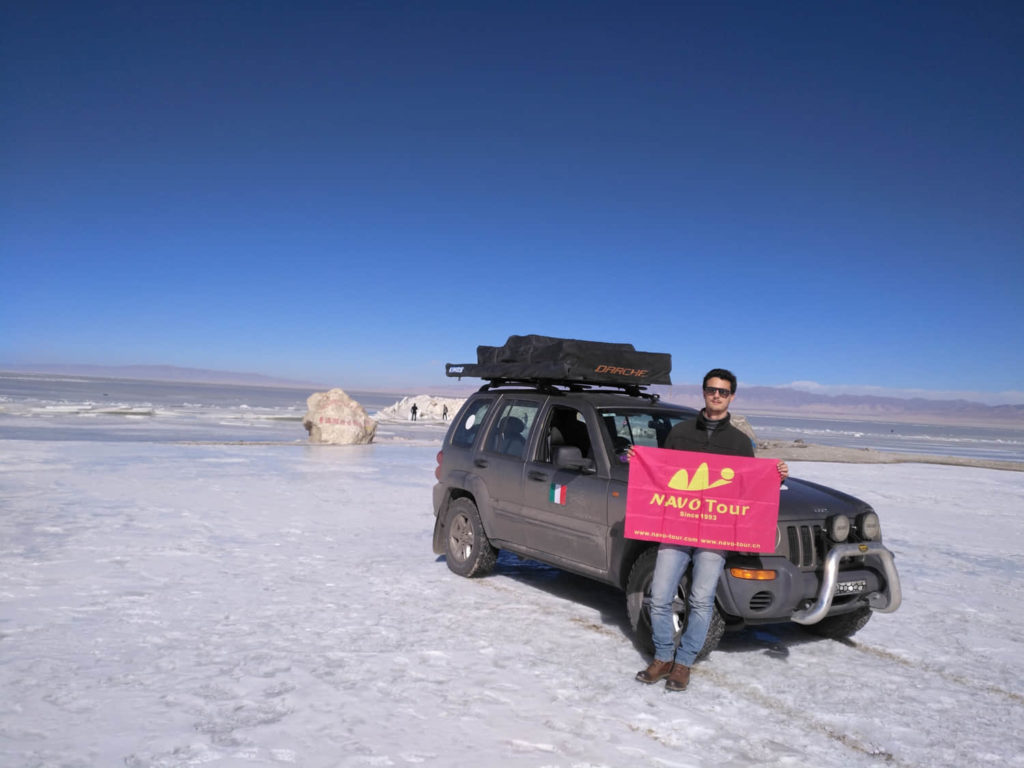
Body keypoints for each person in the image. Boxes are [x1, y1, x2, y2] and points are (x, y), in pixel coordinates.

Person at [635, 368, 788, 692]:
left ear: (731, 396)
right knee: (660, 596)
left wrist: (776, 477)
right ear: (703, 392)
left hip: (714, 535)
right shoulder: (680, 433)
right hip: (677, 528)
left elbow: (749, 487)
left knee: (701, 600)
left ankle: (684, 662)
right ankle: (663, 656)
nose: (716, 396)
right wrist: (639, 460)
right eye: (711, 390)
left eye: (722, 391)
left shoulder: (738, 442)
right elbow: (662, 474)